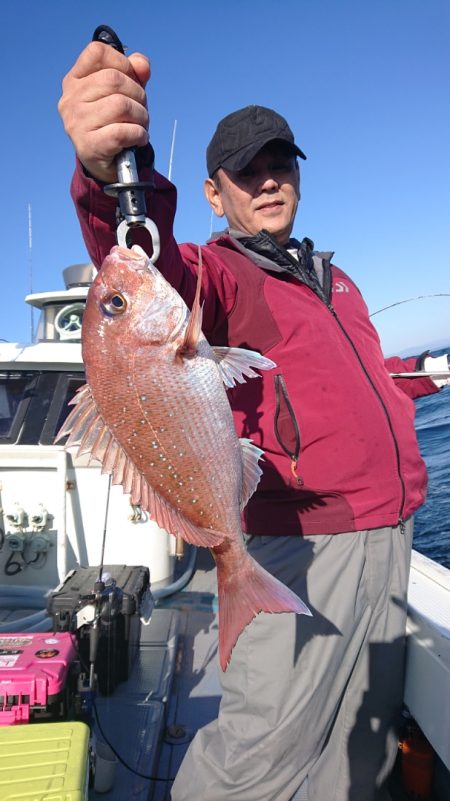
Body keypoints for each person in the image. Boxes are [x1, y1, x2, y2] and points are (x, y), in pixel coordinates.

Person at [58, 40, 449, 801]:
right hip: (301, 544)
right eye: (247, 170)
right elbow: (149, 263)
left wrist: (421, 379)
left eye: (281, 164)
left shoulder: (337, 280)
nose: (269, 180)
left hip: (390, 536)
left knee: (359, 746)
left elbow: (364, 381)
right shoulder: (218, 275)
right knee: (258, 753)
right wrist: (109, 182)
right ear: (214, 193)